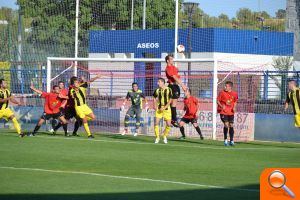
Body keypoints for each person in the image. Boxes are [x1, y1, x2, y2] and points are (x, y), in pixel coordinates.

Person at [69, 74, 101, 138]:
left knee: (93, 117)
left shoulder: (82, 86)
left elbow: (90, 81)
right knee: (85, 120)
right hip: (78, 108)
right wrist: (75, 91)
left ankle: (81, 120)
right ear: (73, 84)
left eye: (77, 82)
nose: (77, 83)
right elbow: (73, 96)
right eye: (75, 82)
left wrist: (97, 77)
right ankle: (89, 134)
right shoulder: (72, 90)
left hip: (85, 106)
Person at [165, 54, 187, 127]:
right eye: (171, 59)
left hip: (176, 86)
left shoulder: (174, 67)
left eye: (172, 59)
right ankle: (172, 119)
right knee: (172, 103)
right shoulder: (168, 68)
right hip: (172, 86)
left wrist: (181, 54)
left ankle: (173, 119)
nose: (172, 60)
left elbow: (177, 72)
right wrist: (182, 85)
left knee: (174, 104)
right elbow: (174, 77)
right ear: (167, 60)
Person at [217, 81, 238, 146]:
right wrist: (221, 106)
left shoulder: (234, 94)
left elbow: (235, 101)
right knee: (226, 125)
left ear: (230, 87)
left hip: (231, 112)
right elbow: (217, 101)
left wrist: (234, 107)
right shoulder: (222, 93)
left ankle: (231, 141)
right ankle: (225, 140)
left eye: (226, 86)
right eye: (225, 86)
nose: (225, 87)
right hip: (223, 111)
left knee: (231, 125)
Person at [153, 78, 173, 144]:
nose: (157, 83)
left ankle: (164, 136)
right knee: (156, 123)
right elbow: (154, 97)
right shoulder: (157, 90)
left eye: (159, 82)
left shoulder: (169, 89)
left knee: (169, 124)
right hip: (159, 109)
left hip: (167, 109)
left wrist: (164, 107)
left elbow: (170, 100)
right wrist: (155, 105)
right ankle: (157, 137)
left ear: (162, 82)